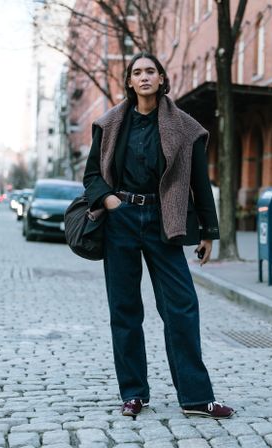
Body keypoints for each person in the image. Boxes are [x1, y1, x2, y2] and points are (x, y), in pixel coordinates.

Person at [83, 51, 235, 419]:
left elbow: (200, 181)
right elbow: (91, 177)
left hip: (165, 221)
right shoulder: (110, 124)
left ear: (162, 78)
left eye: (151, 71)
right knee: (124, 310)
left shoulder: (184, 127)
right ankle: (134, 393)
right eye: (137, 72)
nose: (144, 77)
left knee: (181, 307)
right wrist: (110, 200)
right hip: (121, 219)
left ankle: (196, 398)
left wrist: (208, 232)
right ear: (130, 82)